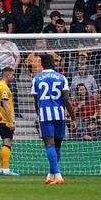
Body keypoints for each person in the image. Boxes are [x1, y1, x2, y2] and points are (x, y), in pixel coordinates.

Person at [32, 53, 77, 185]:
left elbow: (36, 100)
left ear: (42, 64)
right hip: (59, 115)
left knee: (49, 144)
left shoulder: (37, 78)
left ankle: (57, 175)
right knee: (57, 144)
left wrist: (38, 114)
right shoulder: (61, 77)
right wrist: (73, 118)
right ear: (53, 63)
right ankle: (51, 174)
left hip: (45, 115)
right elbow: (67, 100)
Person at [0, 66, 20, 176]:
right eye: (12, 75)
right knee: (7, 142)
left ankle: (2, 168)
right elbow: (6, 105)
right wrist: (11, 121)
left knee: (5, 142)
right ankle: (5, 168)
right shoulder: (3, 87)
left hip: (0, 118)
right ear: (7, 75)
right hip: (5, 119)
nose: (13, 77)